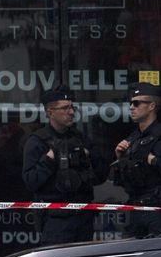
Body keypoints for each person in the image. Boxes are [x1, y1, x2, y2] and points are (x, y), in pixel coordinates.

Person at [21, 88, 104, 245]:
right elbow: (30, 181)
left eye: (72, 107)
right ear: (50, 112)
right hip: (55, 220)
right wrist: (49, 160)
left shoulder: (81, 139)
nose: (71, 112)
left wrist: (89, 157)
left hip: (83, 218)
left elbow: (100, 175)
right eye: (65, 108)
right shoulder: (37, 142)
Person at [109, 83, 161, 239]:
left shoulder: (160, 135)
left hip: (157, 210)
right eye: (131, 103)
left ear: (152, 106)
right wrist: (120, 157)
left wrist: (153, 160)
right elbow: (121, 179)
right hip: (135, 207)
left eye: (137, 103)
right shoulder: (133, 138)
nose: (132, 107)